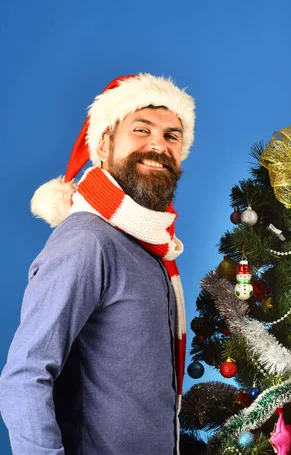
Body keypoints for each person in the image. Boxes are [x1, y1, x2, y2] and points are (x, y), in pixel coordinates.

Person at [0, 73, 195, 455]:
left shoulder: (150, 244)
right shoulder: (89, 240)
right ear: (104, 144)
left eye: (172, 136)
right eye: (142, 130)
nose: (159, 144)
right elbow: (25, 376)